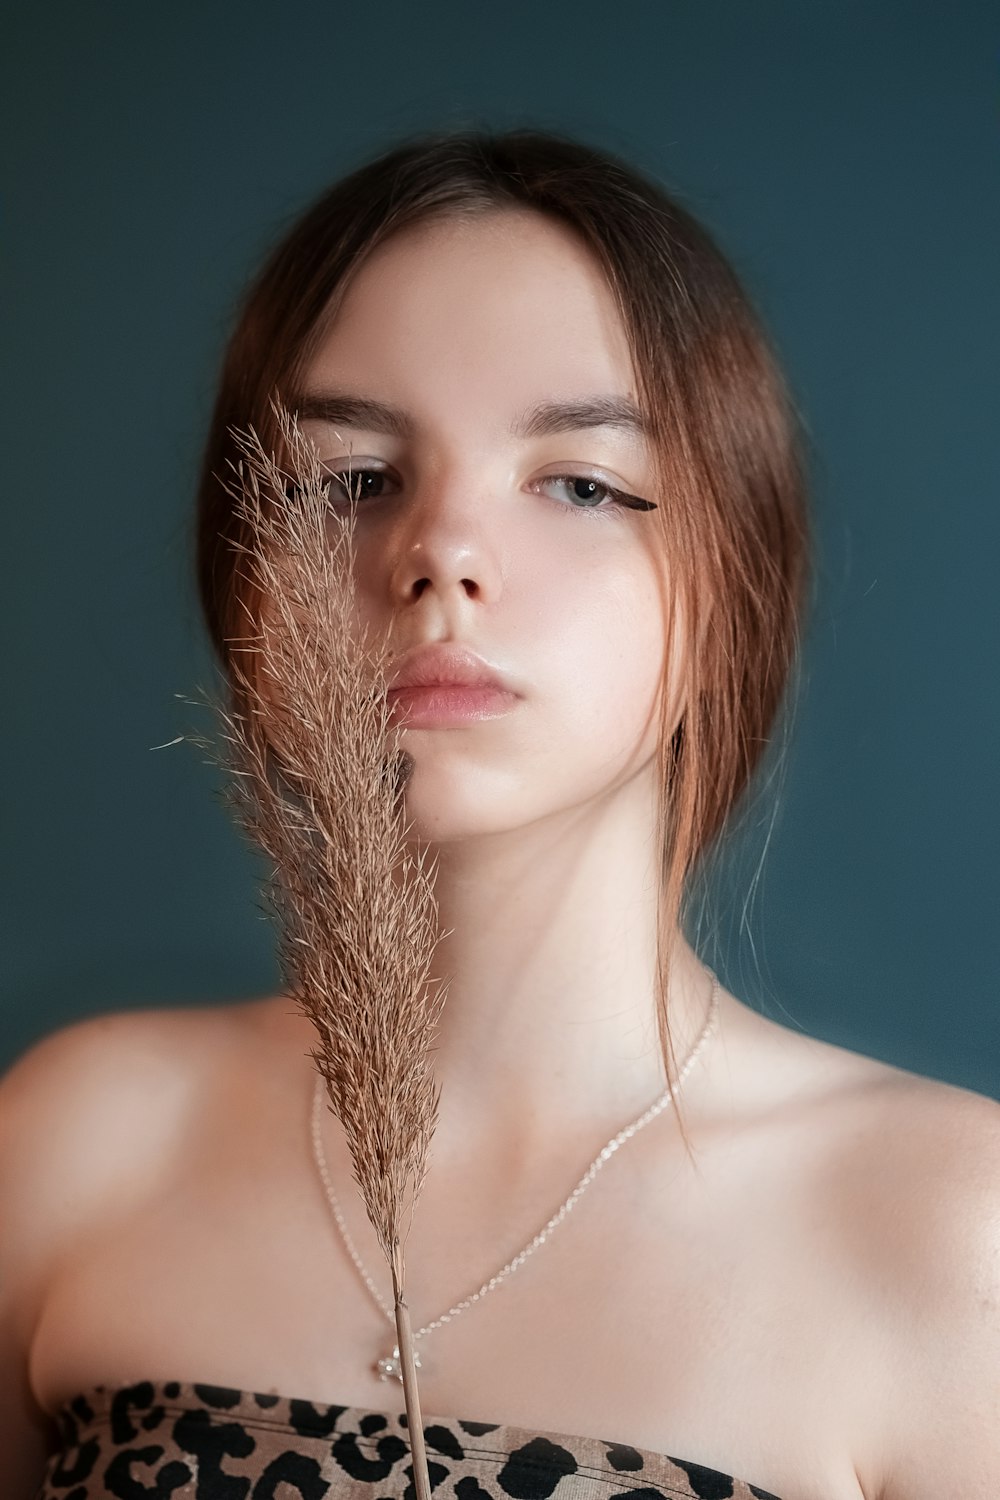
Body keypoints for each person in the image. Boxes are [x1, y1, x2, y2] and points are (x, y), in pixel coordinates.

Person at [1, 129, 997, 1500]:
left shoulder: (951, 1236)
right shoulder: (79, 1140)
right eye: (351, 480)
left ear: (732, 586)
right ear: (244, 587)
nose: (440, 557)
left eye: (581, 484)